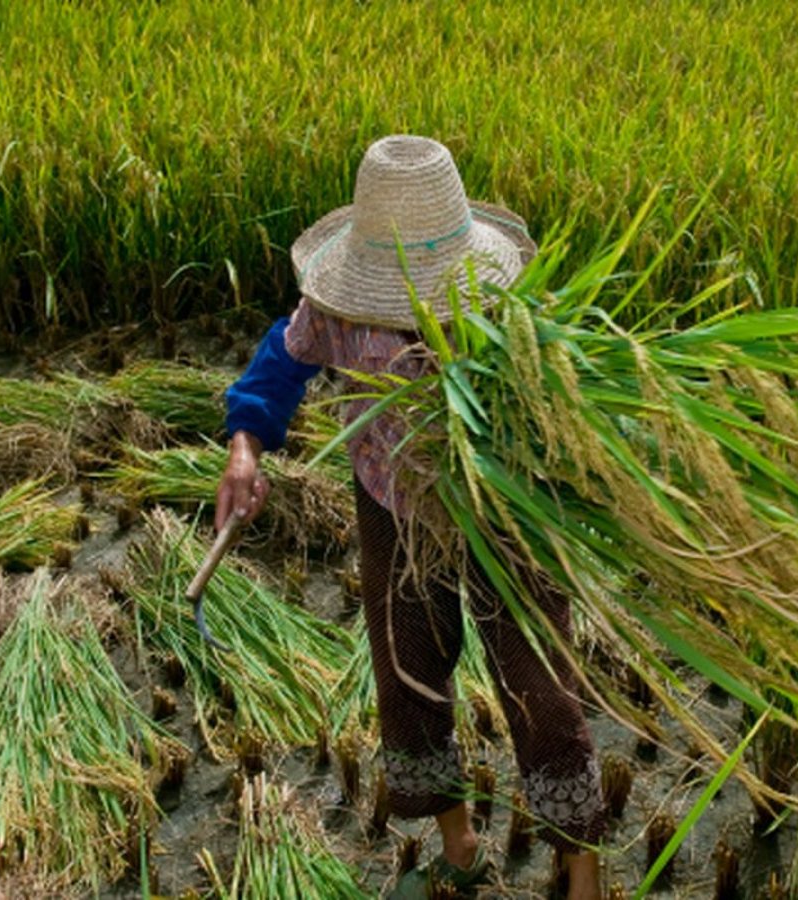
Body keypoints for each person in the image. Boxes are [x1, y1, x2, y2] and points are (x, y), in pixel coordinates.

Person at [216, 134, 605, 900]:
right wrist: (244, 448)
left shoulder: (508, 308)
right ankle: (457, 842)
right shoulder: (335, 310)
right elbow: (278, 365)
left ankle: (581, 865)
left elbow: (570, 399)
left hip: (502, 507)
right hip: (392, 504)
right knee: (409, 671)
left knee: (540, 685)